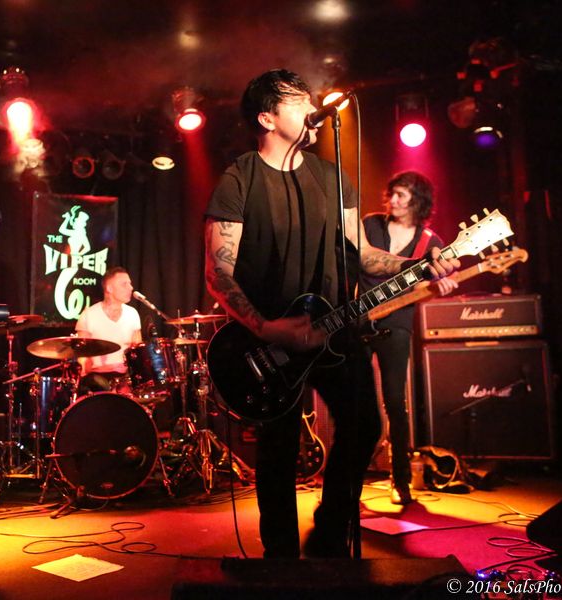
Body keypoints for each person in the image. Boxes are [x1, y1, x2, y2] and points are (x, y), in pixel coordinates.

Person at [204, 69, 458, 559]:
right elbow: (218, 273)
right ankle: (281, 557)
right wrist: (267, 327)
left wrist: (420, 265)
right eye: (299, 101)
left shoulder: (332, 176)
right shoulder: (239, 179)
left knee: (365, 427)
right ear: (267, 117)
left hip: (335, 328)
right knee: (279, 447)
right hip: (270, 338)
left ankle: (329, 530)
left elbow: (365, 256)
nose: (312, 108)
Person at [363, 171, 458, 505]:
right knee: (355, 401)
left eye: (401, 195)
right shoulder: (370, 224)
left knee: (394, 401)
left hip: (397, 324)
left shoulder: (430, 242)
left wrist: (439, 287)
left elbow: (430, 284)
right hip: (356, 322)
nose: (393, 200)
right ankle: (350, 479)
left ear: (418, 200)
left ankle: (400, 480)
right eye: (392, 193)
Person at [74, 266, 142, 393]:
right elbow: (81, 354)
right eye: (124, 284)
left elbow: (137, 351)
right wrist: (86, 363)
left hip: (125, 377)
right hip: (98, 378)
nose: (131, 288)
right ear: (109, 288)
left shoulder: (132, 314)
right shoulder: (89, 315)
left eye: (130, 283)